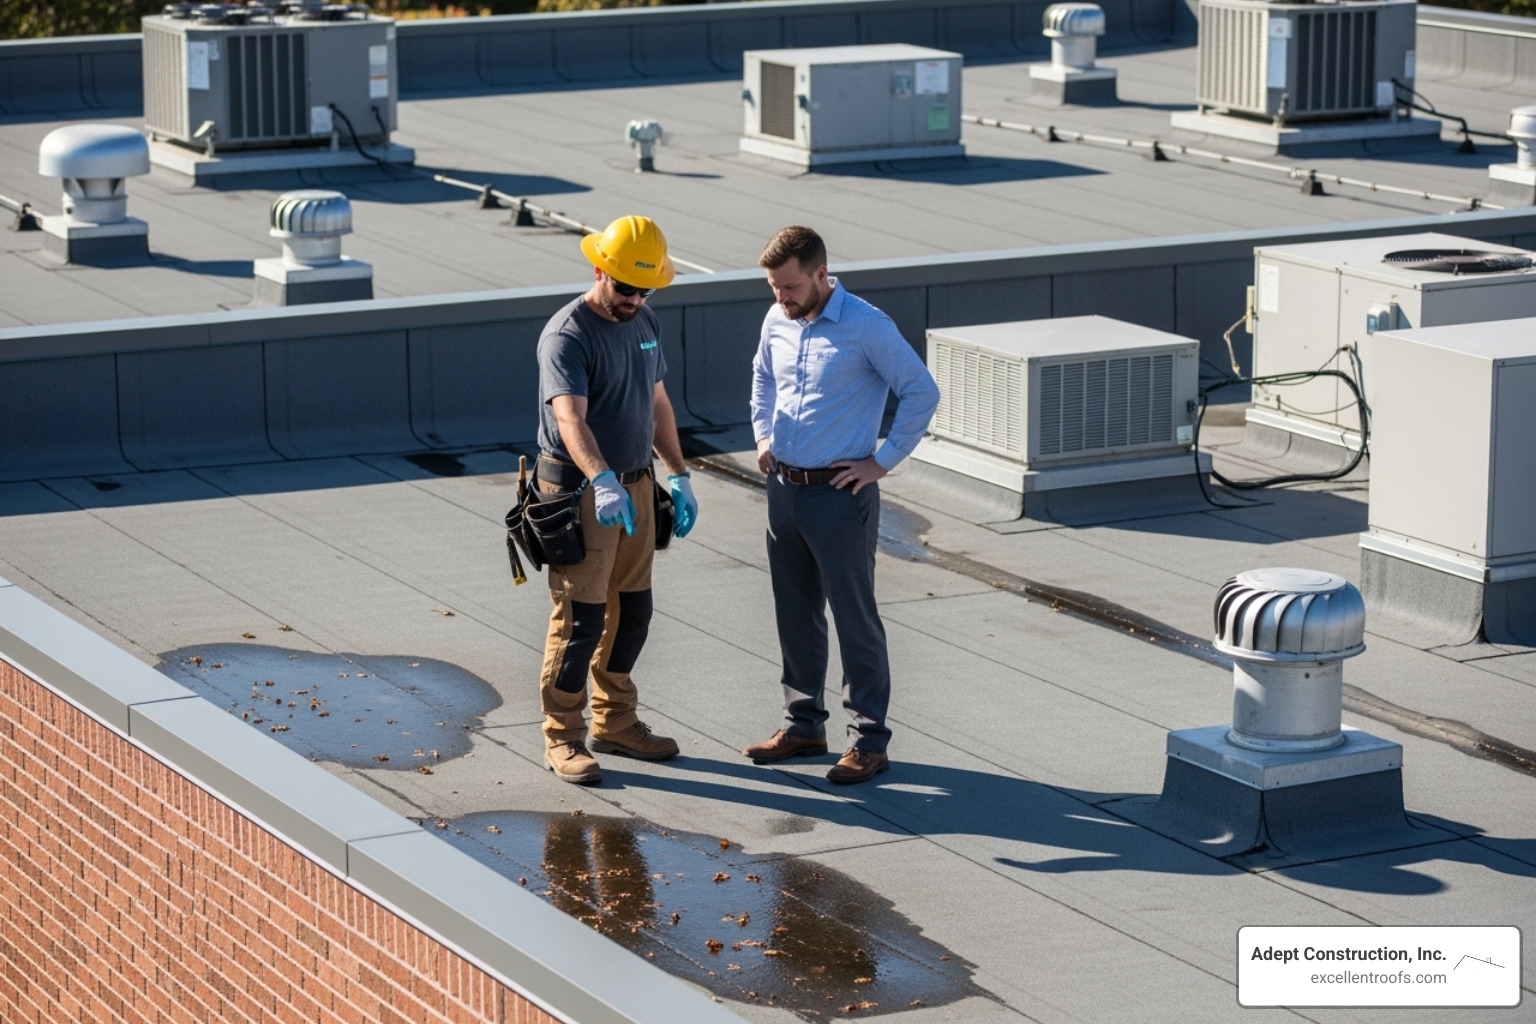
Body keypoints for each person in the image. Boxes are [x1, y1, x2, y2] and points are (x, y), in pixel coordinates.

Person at [743, 225, 940, 784]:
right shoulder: (775, 321)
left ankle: (869, 741)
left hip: (839, 495)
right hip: (783, 489)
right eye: (774, 288)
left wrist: (882, 461)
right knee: (794, 613)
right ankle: (803, 724)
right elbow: (761, 380)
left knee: (855, 619)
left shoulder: (867, 327)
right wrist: (762, 438)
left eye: (789, 286)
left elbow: (922, 391)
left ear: (821, 275)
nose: (780, 298)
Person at [534, 214, 699, 785]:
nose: (635, 299)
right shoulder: (568, 334)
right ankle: (563, 737)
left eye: (646, 288)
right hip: (581, 491)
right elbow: (569, 417)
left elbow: (657, 405)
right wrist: (602, 479)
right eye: (626, 287)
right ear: (599, 269)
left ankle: (617, 721)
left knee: (632, 614)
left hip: (636, 484)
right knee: (582, 620)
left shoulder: (644, 319)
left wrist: (677, 476)